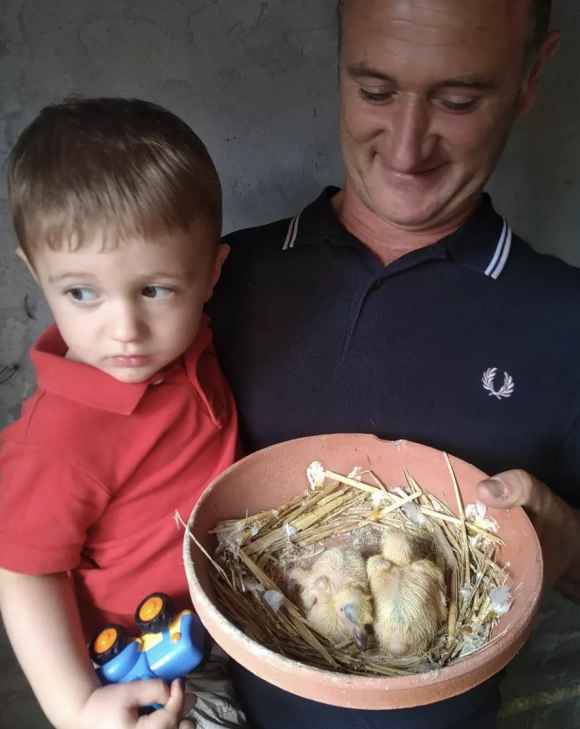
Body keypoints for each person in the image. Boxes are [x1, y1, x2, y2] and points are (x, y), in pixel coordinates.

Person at [208, 0, 580, 727]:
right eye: (374, 90)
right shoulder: (213, 282)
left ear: (532, 75)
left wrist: (565, 542)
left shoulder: (565, 322)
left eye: (458, 99)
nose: (407, 148)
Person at [0, 98, 247, 729]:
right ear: (36, 272)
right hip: (154, 664)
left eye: (155, 289)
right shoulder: (59, 438)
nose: (125, 331)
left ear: (211, 273)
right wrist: (77, 708)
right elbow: (21, 571)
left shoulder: (191, 339)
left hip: (228, 606)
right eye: (81, 292)